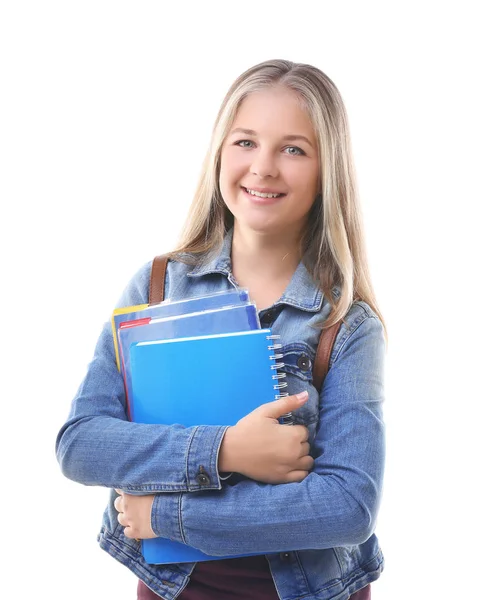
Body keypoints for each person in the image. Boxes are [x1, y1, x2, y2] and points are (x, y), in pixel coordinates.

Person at [56, 58, 387, 600]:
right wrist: (226, 450)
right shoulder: (157, 286)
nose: (263, 168)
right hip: (178, 588)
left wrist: (166, 515)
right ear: (218, 153)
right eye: (246, 142)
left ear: (328, 172)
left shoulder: (346, 325)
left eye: (294, 149)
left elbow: (348, 507)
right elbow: (81, 443)